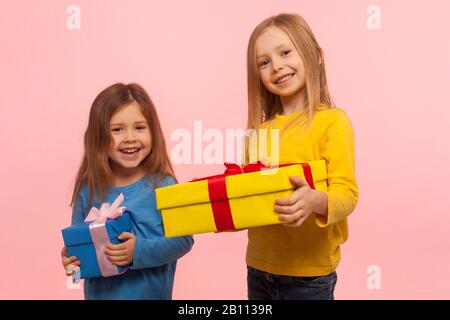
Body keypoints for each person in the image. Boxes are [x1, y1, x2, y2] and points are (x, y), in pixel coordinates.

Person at [244, 13, 359, 300]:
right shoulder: (257, 133)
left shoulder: (333, 122)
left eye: (285, 52)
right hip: (258, 268)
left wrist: (314, 200)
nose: (277, 66)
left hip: (309, 276)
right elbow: (248, 198)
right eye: (264, 62)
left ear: (316, 56)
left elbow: (347, 195)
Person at [61, 83, 193, 299]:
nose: (130, 137)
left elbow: (184, 240)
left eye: (140, 127)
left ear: (153, 131)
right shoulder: (89, 190)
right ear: (98, 137)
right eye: (117, 129)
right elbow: (77, 252)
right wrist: (71, 262)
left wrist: (137, 252)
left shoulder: (164, 185)